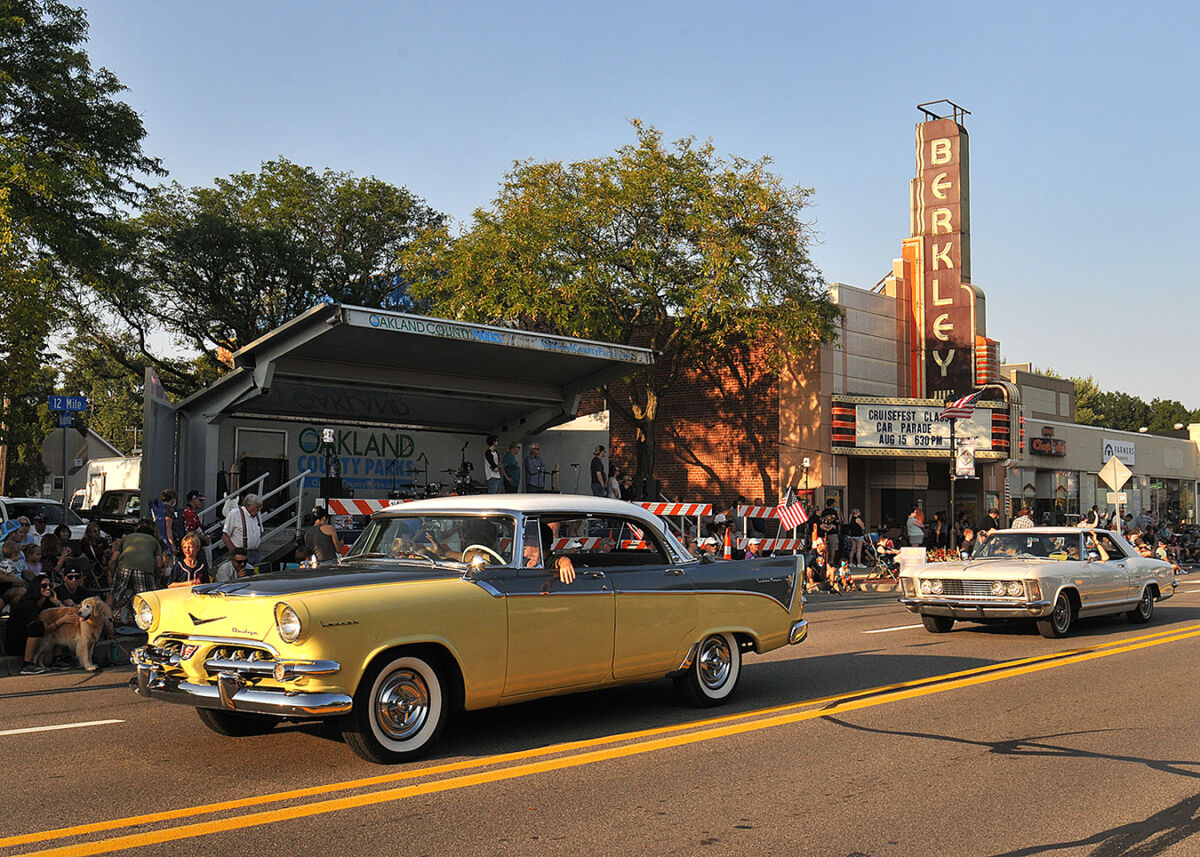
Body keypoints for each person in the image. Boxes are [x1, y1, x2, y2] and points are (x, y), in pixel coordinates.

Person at [9, 574, 70, 674]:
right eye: (44, 586)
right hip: (18, 641)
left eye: (50, 585)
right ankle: (27, 665)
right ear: (37, 587)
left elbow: (67, 613)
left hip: (39, 639)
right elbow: (40, 629)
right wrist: (61, 620)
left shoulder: (47, 602)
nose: (48, 588)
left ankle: (58, 659)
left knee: (47, 661)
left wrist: (57, 602)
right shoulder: (28, 603)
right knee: (38, 626)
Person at [108, 519, 166, 624]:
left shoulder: (126, 539)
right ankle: (152, 622)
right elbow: (158, 564)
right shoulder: (154, 541)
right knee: (148, 596)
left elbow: (113, 559)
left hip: (124, 567)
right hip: (144, 570)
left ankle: (105, 619)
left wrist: (112, 575)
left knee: (114, 594)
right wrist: (157, 580)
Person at [222, 494, 264, 568]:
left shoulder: (258, 515)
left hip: (255, 553)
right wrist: (234, 553)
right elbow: (225, 535)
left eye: (260, 507)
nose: (259, 509)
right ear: (248, 505)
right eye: (257, 506)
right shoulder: (235, 513)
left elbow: (260, 534)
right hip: (241, 554)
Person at [151, 489, 181, 556]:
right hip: (166, 540)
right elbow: (168, 528)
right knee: (168, 561)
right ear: (172, 499)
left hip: (158, 537)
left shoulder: (157, 508)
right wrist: (172, 544)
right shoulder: (169, 510)